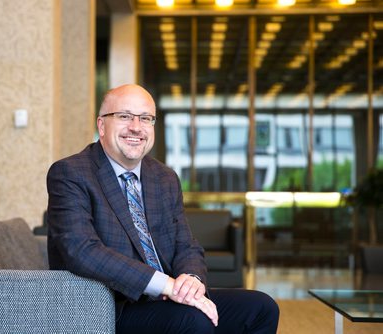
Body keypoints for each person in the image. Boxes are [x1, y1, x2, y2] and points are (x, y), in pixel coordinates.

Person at [46, 84, 279, 333]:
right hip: (114, 305)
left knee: (261, 308)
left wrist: (191, 279)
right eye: (124, 116)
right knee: (193, 321)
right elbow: (82, 250)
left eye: (145, 118)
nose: (136, 127)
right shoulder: (71, 173)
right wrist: (165, 285)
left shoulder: (164, 177)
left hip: (170, 298)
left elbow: (186, 245)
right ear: (101, 125)